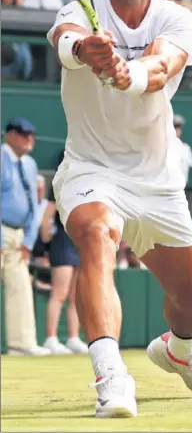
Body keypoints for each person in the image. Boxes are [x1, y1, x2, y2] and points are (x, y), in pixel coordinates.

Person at [47, 0, 192, 418]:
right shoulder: (81, 12)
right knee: (95, 232)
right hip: (91, 169)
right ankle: (111, 375)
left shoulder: (177, 16)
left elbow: (164, 60)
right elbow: (62, 38)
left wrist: (127, 72)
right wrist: (87, 48)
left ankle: (180, 349)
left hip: (157, 179)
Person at [1, 117, 51, 356]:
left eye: (31, 134)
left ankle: (20, 344)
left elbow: (34, 205)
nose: (29, 139)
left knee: (20, 289)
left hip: (19, 237)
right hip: (1, 232)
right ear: (9, 135)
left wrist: (29, 242)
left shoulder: (30, 164)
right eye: (23, 134)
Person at [40, 151, 88, 355]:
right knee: (59, 293)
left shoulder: (86, 186)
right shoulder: (58, 185)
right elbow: (45, 220)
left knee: (75, 296)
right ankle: (51, 338)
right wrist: (48, 244)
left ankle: (73, 338)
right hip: (62, 241)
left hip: (80, 242)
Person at [173, 115, 192, 186]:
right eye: (174, 129)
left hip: (182, 185)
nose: (177, 132)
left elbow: (190, 164)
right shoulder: (163, 147)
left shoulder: (186, 148)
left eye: (178, 129)